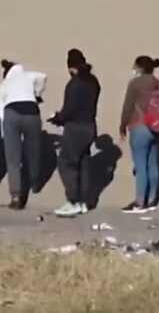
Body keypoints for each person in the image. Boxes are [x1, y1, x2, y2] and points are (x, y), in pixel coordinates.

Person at [49, 49, 101, 217]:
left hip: (75, 128)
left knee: (66, 163)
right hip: (90, 126)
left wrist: (57, 118)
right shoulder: (93, 82)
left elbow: (69, 109)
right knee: (84, 164)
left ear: (71, 67)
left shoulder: (74, 84)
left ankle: (73, 201)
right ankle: (83, 201)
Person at [0, 59, 47, 210]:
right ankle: (35, 180)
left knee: (13, 159)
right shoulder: (29, 76)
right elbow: (43, 76)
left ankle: (16, 197)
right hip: (32, 112)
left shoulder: (4, 85)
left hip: (11, 113)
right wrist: (38, 92)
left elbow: (1, 107)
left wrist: (5, 127)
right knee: (33, 150)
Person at [119, 55, 159, 213]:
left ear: (139, 67)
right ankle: (152, 199)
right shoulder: (157, 83)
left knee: (140, 165)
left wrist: (122, 125)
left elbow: (128, 106)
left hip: (139, 125)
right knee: (153, 163)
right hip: (156, 126)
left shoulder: (135, 83)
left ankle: (139, 201)